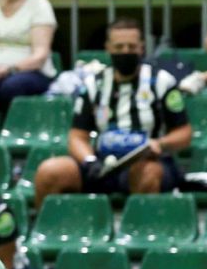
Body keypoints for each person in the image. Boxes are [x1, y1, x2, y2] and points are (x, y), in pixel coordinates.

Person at [33, 17, 192, 207]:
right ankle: (50, 230)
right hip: (102, 165)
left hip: (147, 161)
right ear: (108, 48)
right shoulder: (93, 85)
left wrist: (161, 143)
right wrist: (89, 161)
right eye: (119, 47)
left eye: (131, 47)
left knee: (147, 173)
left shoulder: (162, 82)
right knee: (50, 171)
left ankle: (138, 233)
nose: (125, 52)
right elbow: (77, 136)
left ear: (141, 47)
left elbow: (184, 133)